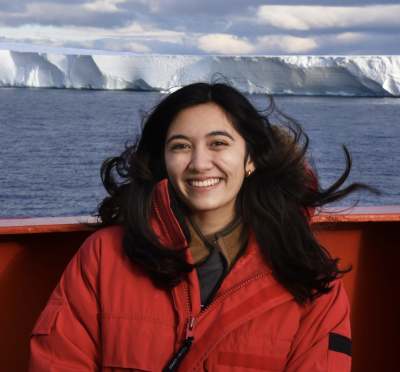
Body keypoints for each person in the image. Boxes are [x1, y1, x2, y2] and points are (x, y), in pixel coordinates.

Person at [29, 81, 372, 372]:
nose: (199, 163)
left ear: (250, 158)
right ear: (163, 159)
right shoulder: (105, 257)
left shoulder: (308, 276)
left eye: (218, 143)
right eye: (180, 146)